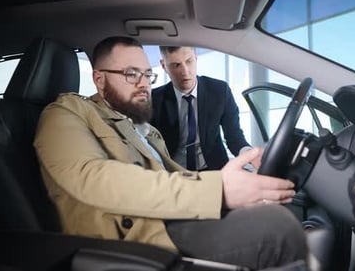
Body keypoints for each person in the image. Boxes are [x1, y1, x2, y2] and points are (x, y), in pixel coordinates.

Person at [34, 36, 308, 270]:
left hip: (174, 214)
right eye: (131, 74)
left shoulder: (143, 128)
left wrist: (232, 193)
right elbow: (90, 177)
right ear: (99, 78)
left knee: (281, 208)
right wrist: (217, 191)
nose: (143, 83)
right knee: (277, 229)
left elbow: (176, 174)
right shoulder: (65, 113)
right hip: (135, 240)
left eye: (147, 74)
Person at [151, 46, 255, 171]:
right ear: (163, 66)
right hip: (173, 174)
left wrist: (250, 155)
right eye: (176, 65)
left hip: (213, 171)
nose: (185, 71)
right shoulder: (154, 99)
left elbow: (234, 136)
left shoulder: (219, 91)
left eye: (189, 61)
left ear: (196, 57)